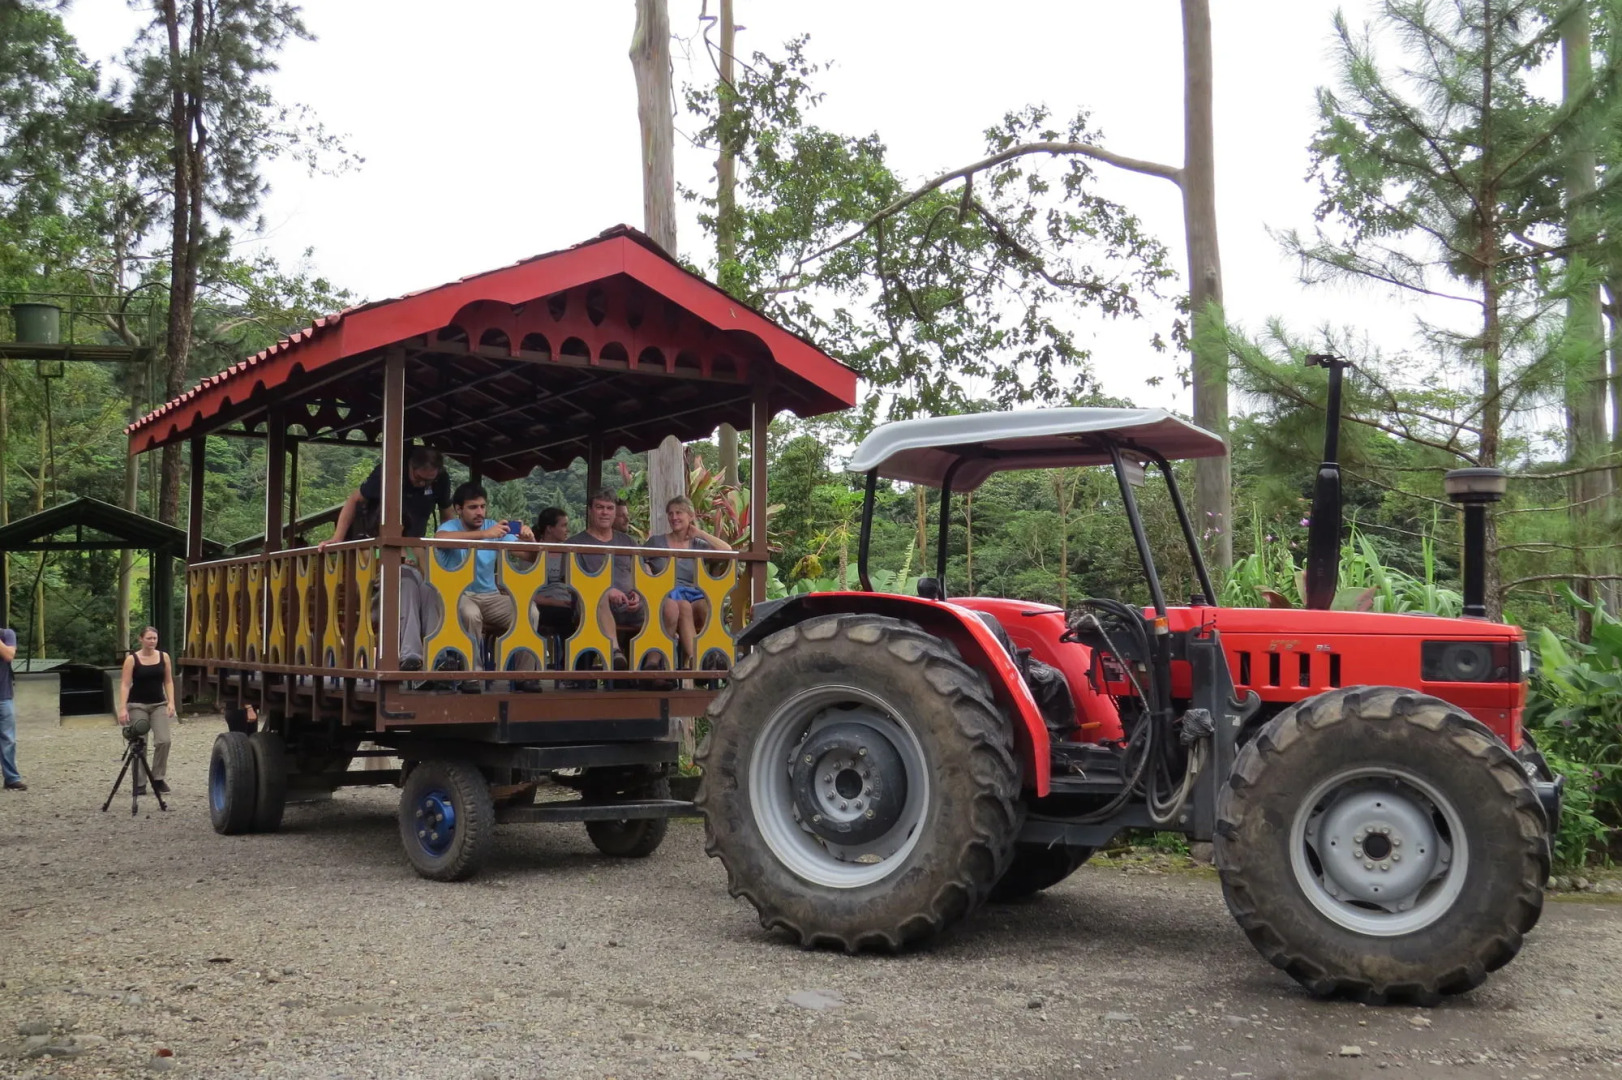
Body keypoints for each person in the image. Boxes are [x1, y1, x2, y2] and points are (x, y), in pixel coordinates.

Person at [319, 446, 450, 673]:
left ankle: (438, 654)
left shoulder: (414, 544)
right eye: (420, 479)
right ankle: (410, 655)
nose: (424, 485)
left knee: (430, 587)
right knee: (407, 578)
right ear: (410, 467)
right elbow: (354, 499)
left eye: (430, 481)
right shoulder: (371, 544)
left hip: (410, 598)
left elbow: (447, 511)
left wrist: (450, 543)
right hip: (379, 599)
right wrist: (337, 538)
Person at [435, 483, 533, 689]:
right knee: (471, 615)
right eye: (473, 507)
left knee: (530, 611)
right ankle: (472, 677)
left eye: (482, 506)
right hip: (459, 595)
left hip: (491, 596)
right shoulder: (451, 526)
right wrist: (484, 535)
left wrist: (530, 540)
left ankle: (525, 676)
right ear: (459, 509)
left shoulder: (493, 526)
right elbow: (440, 539)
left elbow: (527, 556)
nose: (479, 512)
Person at [645, 496, 728, 672]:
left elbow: (728, 551)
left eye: (679, 513)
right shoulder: (656, 542)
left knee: (707, 606)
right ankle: (695, 660)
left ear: (690, 516)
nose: (674, 517)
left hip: (693, 594)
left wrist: (699, 533)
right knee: (683, 607)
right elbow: (640, 564)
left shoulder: (698, 544)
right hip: (666, 596)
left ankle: (716, 656)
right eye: (670, 513)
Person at [568, 489, 644, 668]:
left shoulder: (628, 542)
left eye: (610, 508)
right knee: (599, 597)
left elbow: (643, 573)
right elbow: (573, 580)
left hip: (631, 607)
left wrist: (639, 594)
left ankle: (655, 669)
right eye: (599, 507)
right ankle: (615, 653)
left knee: (667, 606)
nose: (605, 512)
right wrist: (607, 591)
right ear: (590, 510)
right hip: (592, 607)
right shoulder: (575, 543)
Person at [118, 626, 176, 794]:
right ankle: (140, 782)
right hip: (137, 704)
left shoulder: (164, 657)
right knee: (139, 743)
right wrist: (123, 707)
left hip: (158, 704)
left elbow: (168, 681)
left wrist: (171, 702)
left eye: (155, 639)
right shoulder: (132, 659)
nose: (152, 642)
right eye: (149, 638)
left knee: (164, 741)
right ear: (141, 639)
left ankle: (158, 778)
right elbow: (125, 684)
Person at [0, 623, 22, 791]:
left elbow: (9, 655)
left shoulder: (7, 634)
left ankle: (11, 778)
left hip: (3, 695)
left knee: (8, 739)